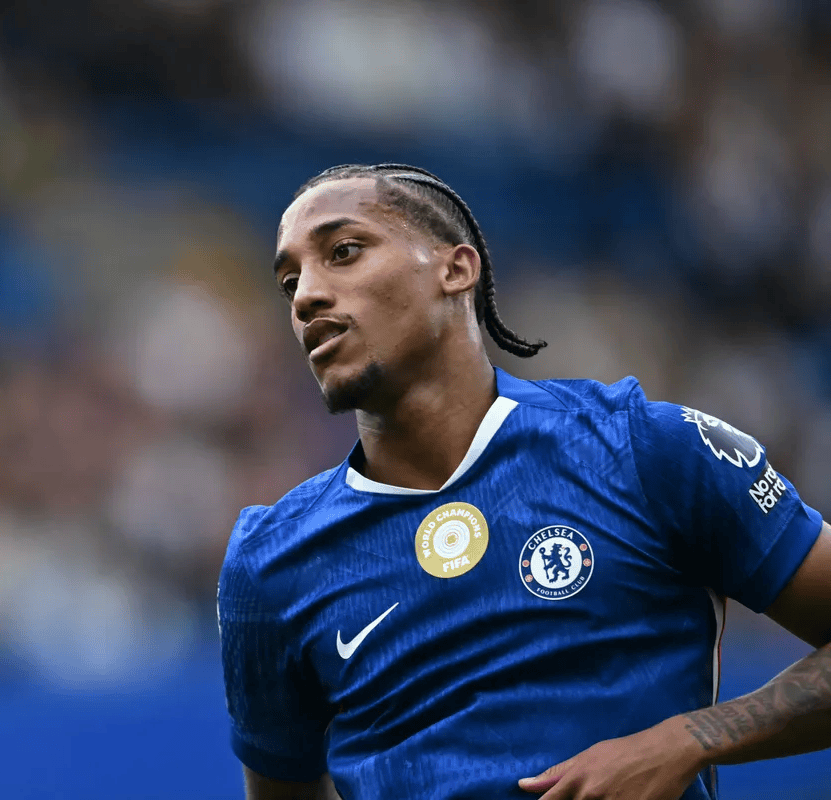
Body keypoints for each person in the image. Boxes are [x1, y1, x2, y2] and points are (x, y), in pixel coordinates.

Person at [216, 163, 831, 800]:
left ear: (457, 269)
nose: (306, 297)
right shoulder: (271, 561)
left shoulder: (642, 450)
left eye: (343, 252)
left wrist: (687, 740)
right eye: (289, 282)